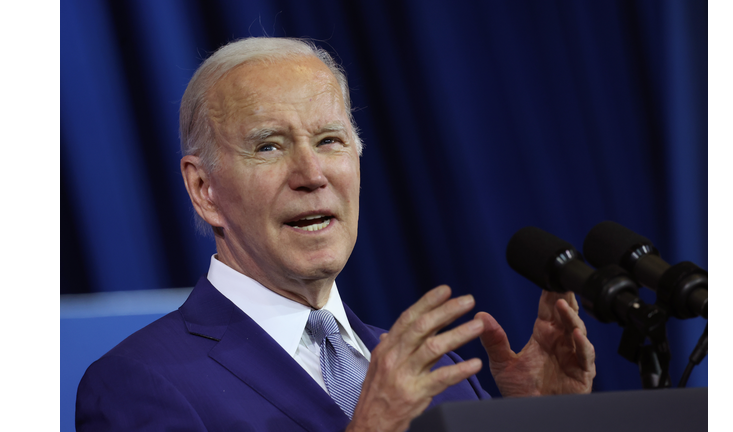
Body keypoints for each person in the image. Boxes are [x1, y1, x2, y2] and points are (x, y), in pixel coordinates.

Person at [76, 37, 595, 432]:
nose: (311, 174)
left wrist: (544, 422)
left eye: (329, 140)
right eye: (269, 147)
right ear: (204, 188)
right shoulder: (136, 382)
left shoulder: (439, 373)